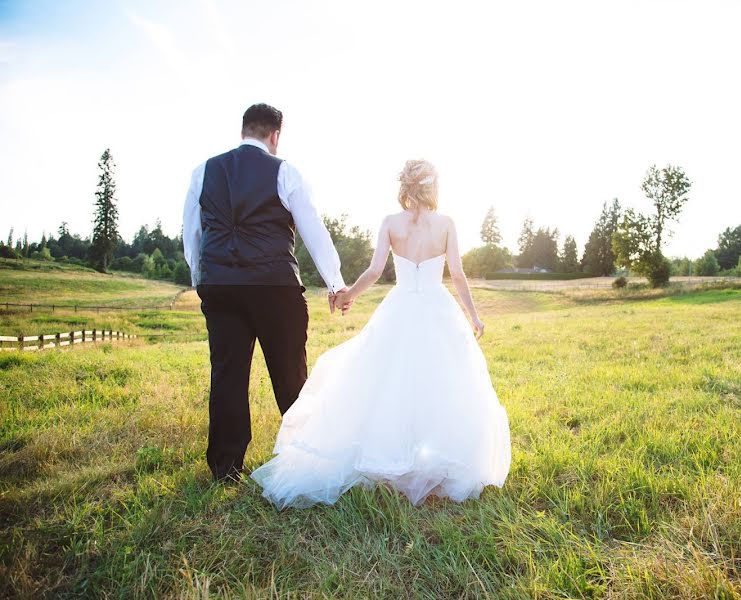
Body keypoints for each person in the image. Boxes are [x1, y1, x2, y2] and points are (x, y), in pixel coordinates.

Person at [251, 159, 511, 508]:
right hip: (437, 307)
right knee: (440, 382)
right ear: (432, 188)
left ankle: (394, 457)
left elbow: (374, 271)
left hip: (400, 306)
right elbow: (459, 276)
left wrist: (348, 295)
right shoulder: (446, 224)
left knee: (391, 380)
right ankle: (434, 460)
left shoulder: (391, 223)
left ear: (405, 187)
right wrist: (474, 317)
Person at [182, 103, 350, 482]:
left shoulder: (203, 171)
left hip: (221, 287)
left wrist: (201, 278)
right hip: (275, 288)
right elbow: (313, 231)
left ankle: (226, 469)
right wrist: (336, 283)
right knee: (290, 374)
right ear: (275, 135)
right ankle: (305, 461)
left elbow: (191, 232)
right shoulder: (285, 171)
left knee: (227, 375)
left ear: (244, 131)